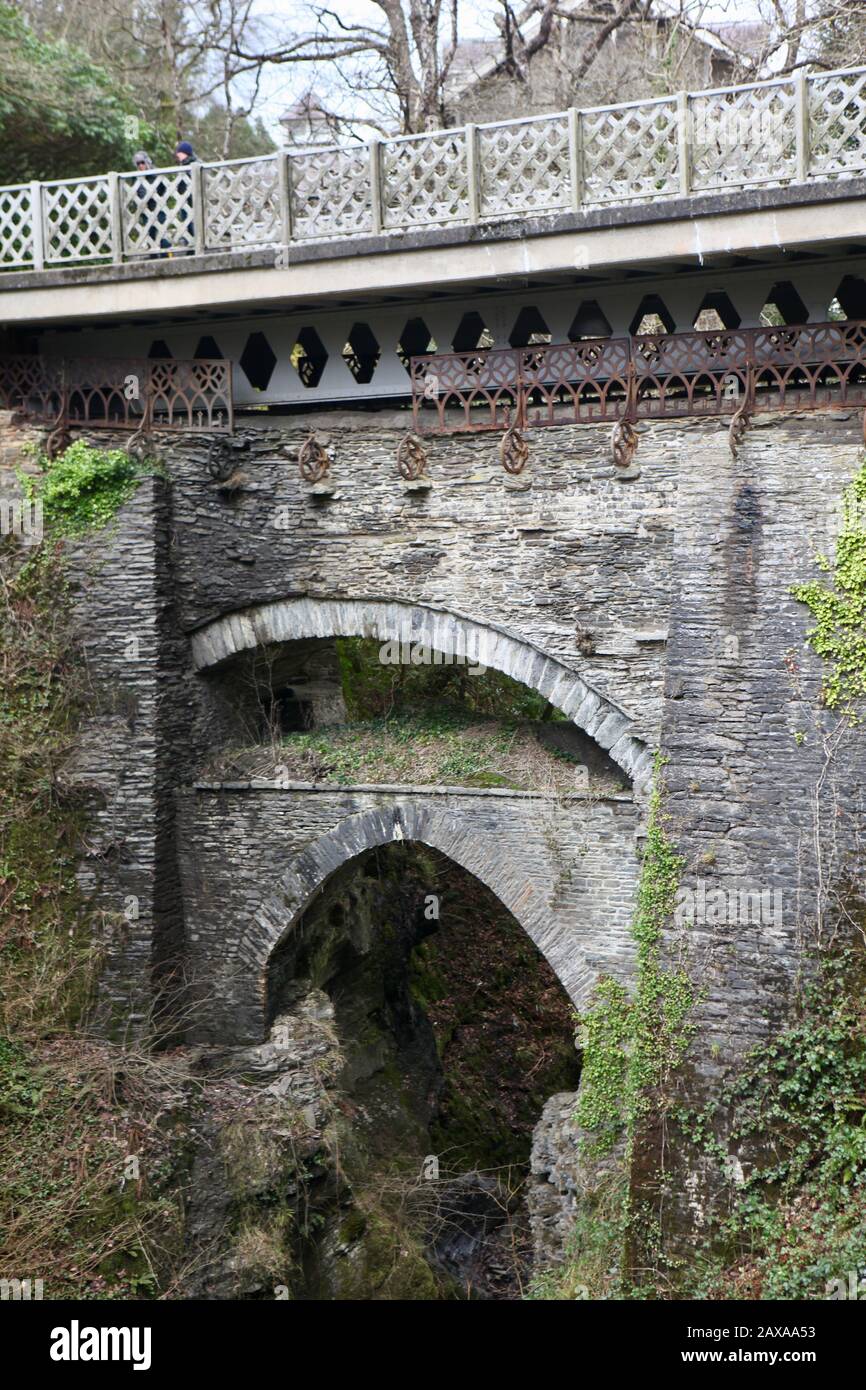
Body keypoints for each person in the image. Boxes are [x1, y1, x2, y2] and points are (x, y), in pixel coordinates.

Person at [132, 151, 170, 258]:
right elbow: (135, 192)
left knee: (161, 234)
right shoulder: (136, 176)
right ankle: (153, 257)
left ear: (147, 161)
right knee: (150, 235)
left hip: (159, 208)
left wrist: (157, 198)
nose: (140, 166)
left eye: (142, 162)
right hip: (145, 210)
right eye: (138, 164)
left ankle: (166, 257)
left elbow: (164, 189)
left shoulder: (156, 173)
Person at [174, 141, 200, 253]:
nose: (177, 155)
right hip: (184, 201)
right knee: (186, 225)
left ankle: (193, 248)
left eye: (179, 153)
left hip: (190, 201)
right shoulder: (183, 166)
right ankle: (190, 247)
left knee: (190, 225)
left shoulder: (191, 165)